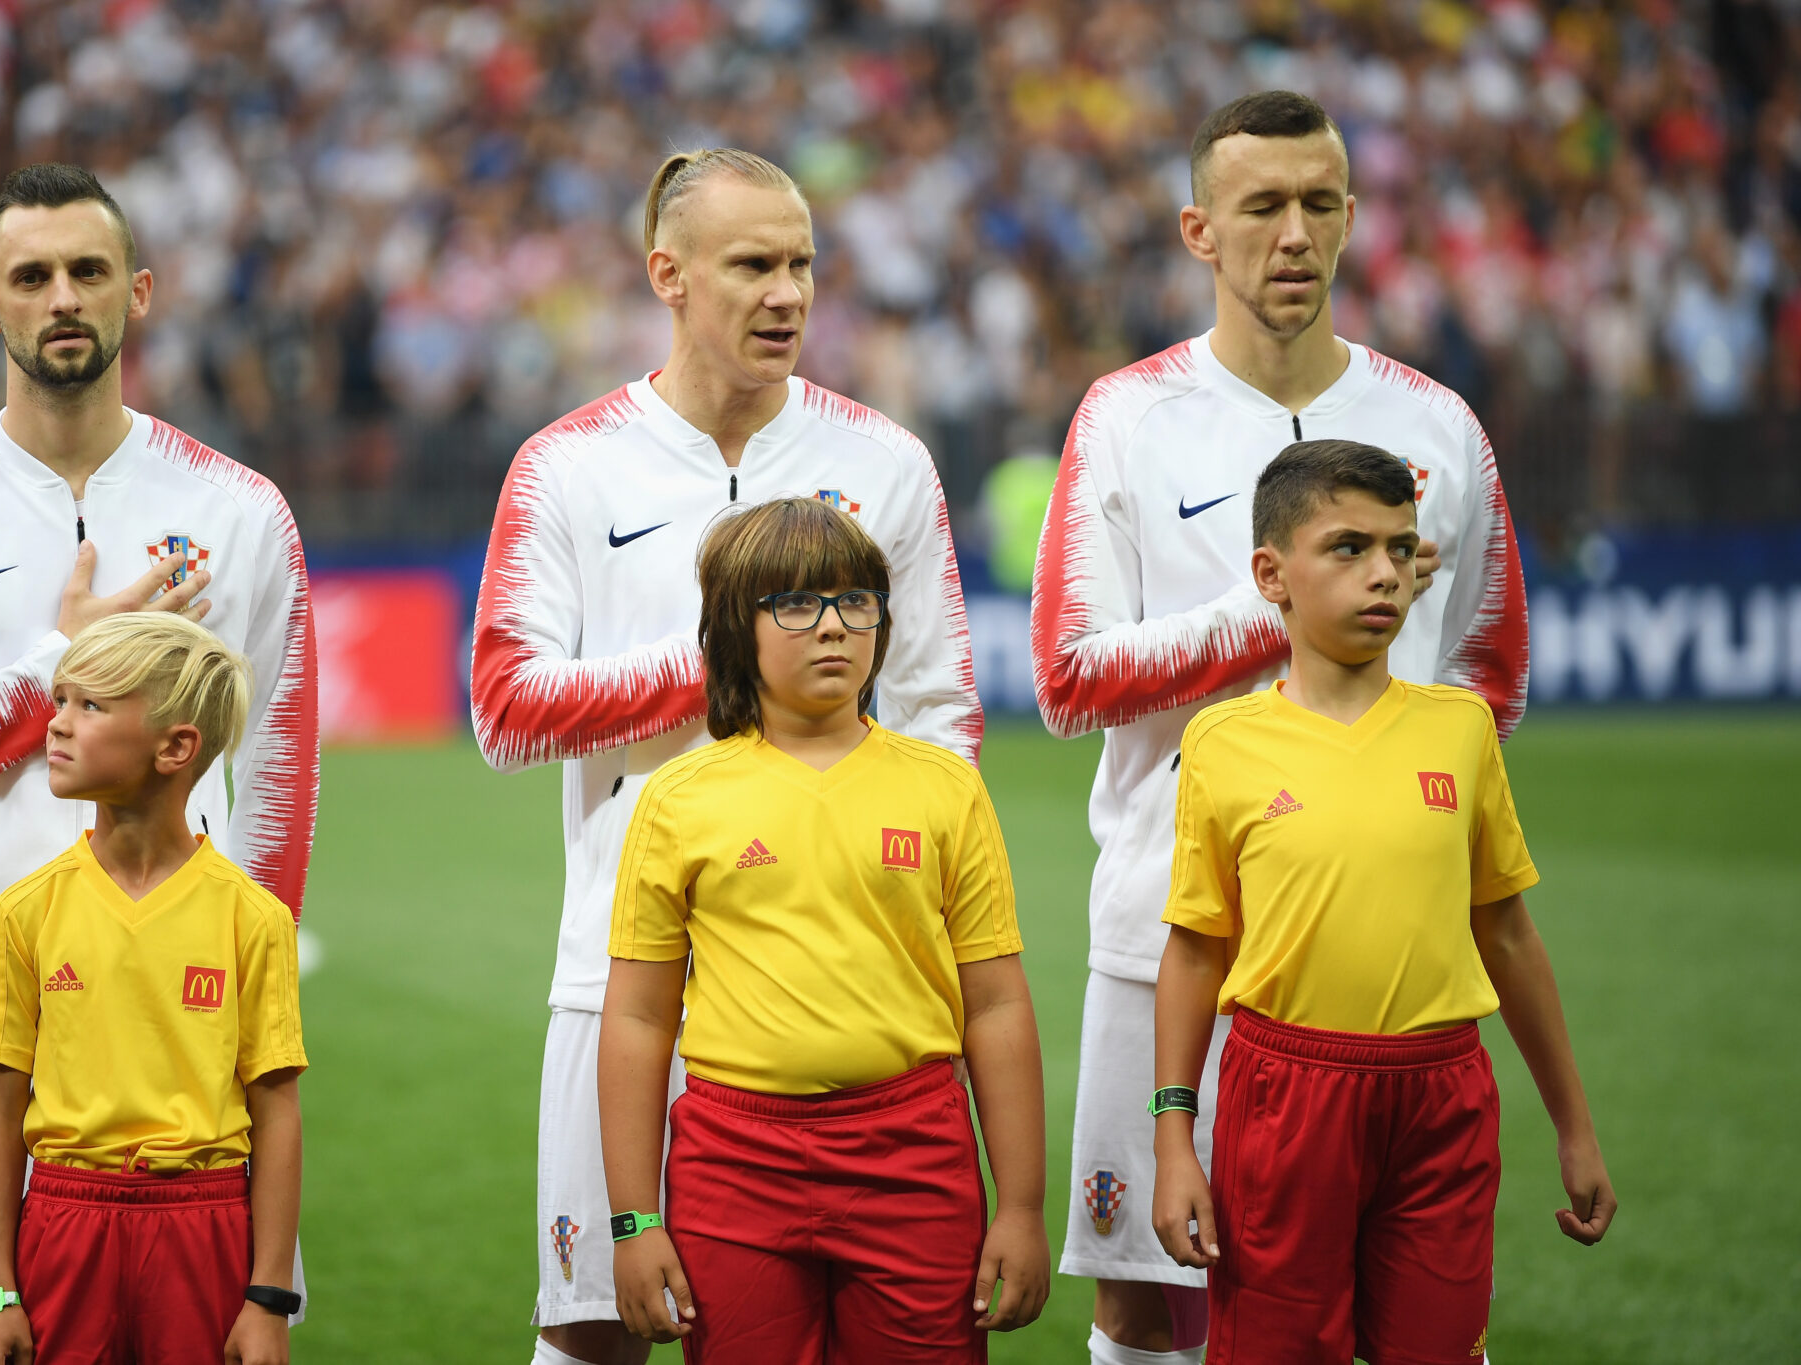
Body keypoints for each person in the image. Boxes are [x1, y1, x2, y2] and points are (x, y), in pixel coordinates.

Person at [1028, 91, 1528, 1365]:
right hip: (1165, 937)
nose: (1292, 233)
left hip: (1384, 965)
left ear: (1351, 217)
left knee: (1406, 1305)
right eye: (1260, 206)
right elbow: (1069, 678)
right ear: (1199, 230)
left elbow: (1487, 679)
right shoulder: (1126, 416)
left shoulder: (1438, 427)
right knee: (1146, 1301)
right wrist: (1282, 615)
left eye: (1317, 203)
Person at [471, 148, 982, 1365]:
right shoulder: (568, 463)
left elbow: (941, 714)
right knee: (592, 1331)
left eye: (801, 264)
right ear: (669, 275)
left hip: (841, 979)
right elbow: (505, 708)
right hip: (623, 972)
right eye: (752, 264)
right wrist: (728, 664)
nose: (785, 293)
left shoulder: (885, 463)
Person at [0, 163, 317, 1365]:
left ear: (137, 291)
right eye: (31, 275)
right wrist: (58, 664)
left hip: (174, 1047)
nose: (62, 298)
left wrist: (243, 1009)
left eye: (88, 271)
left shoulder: (242, 511)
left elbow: (276, 785)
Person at [1150, 440, 1615, 1361]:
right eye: (1349, 547)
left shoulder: (1461, 727)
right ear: (1271, 576)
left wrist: (1575, 1127)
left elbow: (1508, 935)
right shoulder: (1222, 742)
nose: (1385, 574)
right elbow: (1197, 949)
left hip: (1442, 1094)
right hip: (1286, 1093)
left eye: (1401, 548)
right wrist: (1174, 1141)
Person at [599, 497, 1047, 1363]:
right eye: (799, 603)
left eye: (855, 600)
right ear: (739, 625)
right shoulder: (678, 799)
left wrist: (1022, 1206)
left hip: (914, 1155)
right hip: (734, 1162)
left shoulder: (945, 787)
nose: (834, 624)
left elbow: (995, 1004)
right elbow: (638, 1017)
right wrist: (634, 1220)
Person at [0, 612, 306, 1365]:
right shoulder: (25, 911)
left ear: (175, 747)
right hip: (63, 1220)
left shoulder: (253, 917)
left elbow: (277, 1111)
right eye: (59, 699)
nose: (58, 722)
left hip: (204, 1224)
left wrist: (269, 1298)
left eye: (91, 705)